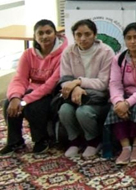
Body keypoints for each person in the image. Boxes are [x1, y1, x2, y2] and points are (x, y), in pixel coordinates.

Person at [2, 19, 68, 155]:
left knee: (34, 107)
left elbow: (50, 85)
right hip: (31, 91)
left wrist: (25, 100)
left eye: (48, 32)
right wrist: (15, 97)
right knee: (8, 103)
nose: (44, 36)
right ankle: (15, 141)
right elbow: (20, 78)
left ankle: (41, 140)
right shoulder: (28, 54)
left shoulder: (64, 54)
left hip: (52, 93)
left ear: (55, 34)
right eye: (40, 33)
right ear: (35, 36)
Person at [57, 19, 114, 159]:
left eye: (87, 34)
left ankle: (93, 142)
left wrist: (78, 82)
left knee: (84, 112)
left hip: (98, 99)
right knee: (64, 110)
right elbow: (64, 79)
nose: (83, 38)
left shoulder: (106, 52)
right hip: (74, 96)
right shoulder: (68, 52)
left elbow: (103, 83)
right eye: (78, 35)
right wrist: (75, 88)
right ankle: (74, 141)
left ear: (95, 35)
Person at [105, 23, 136, 165]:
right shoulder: (118, 59)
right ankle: (125, 146)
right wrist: (119, 102)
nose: (132, 41)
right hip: (124, 95)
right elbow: (114, 84)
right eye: (128, 38)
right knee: (114, 108)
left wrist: (128, 103)